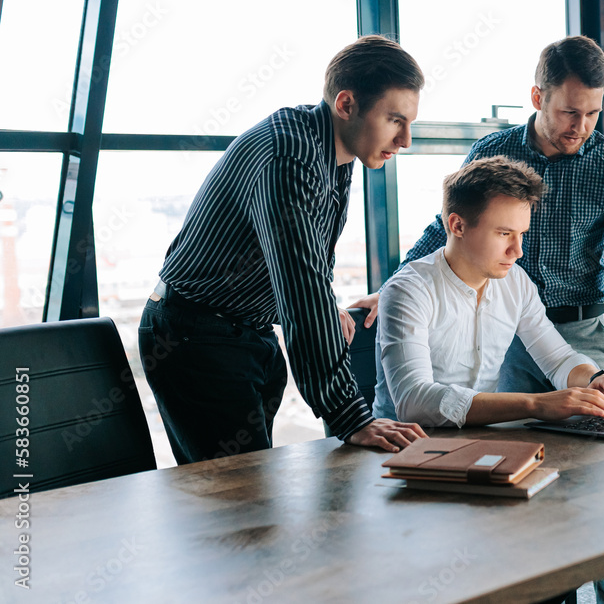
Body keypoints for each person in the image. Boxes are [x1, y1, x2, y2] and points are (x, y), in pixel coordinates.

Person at [361, 35, 604, 604]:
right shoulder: (495, 156)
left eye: (593, 113)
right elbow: (447, 225)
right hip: (502, 337)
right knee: (532, 480)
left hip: (572, 323)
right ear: (537, 97)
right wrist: (396, 284)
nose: (581, 125)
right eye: (570, 111)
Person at [138, 35, 427, 465]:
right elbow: (301, 289)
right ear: (346, 104)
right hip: (194, 336)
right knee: (240, 499)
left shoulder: (334, 150)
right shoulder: (290, 154)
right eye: (394, 120)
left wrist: (328, 306)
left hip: (247, 332)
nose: (405, 140)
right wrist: (352, 417)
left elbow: (307, 255)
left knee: (248, 493)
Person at [373, 156, 604, 428]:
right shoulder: (408, 291)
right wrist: (535, 404)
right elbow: (413, 401)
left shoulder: (516, 282)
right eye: (503, 234)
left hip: (479, 442)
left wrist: (595, 378)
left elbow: (558, 359)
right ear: (458, 226)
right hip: (402, 447)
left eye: (521, 233)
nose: (518, 251)